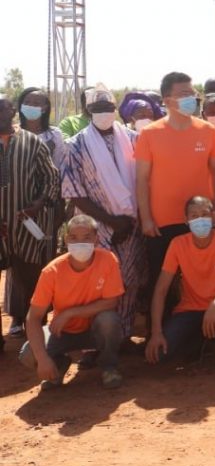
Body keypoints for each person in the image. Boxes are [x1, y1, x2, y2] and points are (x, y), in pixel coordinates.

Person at [62, 84, 147, 340]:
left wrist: (127, 223)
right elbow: (74, 192)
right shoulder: (75, 146)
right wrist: (111, 222)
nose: (104, 113)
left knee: (129, 283)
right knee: (96, 285)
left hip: (132, 227)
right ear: (88, 112)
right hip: (96, 230)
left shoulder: (133, 139)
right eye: (97, 109)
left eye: (108, 108)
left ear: (116, 110)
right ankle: (93, 343)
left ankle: (122, 336)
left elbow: (144, 182)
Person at [135, 71, 215, 314]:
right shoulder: (149, 133)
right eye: (183, 94)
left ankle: (203, 332)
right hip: (162, 221)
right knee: (160, 279)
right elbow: (141, 179)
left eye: (192, 94)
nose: (191, 99)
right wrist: (147, 218)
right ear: (166, 99)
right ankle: (158, 332)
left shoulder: (208, 131)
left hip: (200, 219)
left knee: (200, 277)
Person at [19, 214, 124, 390]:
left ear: (97, 240)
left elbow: (111, 302)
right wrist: (43, 359)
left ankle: (109, 366)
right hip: (62, 332)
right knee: (28, 354)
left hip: (94, 330)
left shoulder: (108, 260)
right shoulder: (51, 271)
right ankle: (58, 364)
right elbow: (33, 317)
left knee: (109, 320)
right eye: (74, 237)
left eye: (87, 237)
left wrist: (70, 312)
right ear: (66, 239)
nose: (80, 242)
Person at [145, 196, 215, 374]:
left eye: (204, 214)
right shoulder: (177, 244)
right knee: (160, 356)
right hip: (189, 311)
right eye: (194, 216)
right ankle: (199, 343)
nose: (200, 220)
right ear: (186, 220)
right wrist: (156, 333)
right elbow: (161, 290)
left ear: (213, 217)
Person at [0, 94, 61, 349]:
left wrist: (37, 206)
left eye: (3, 108)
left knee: (33, 281)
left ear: (13, 111)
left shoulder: (33, 142)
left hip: (27, 224)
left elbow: (52, 179)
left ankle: (35, 337)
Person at [17, 87, 67, 169]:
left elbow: (59, 164)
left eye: (36, 103)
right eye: (26, 102)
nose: (30, 106)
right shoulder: (12, 133)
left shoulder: (54, 135)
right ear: (21, 106)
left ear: (45, 108)